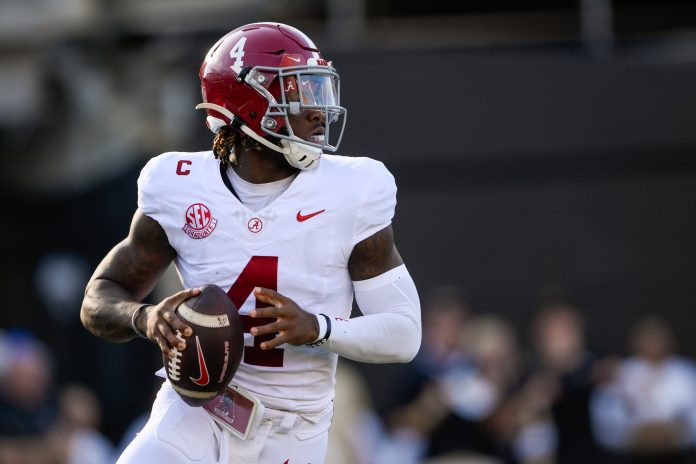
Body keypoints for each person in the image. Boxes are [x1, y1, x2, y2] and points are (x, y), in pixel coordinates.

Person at [80, 22, 422, 464]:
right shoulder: (178, 184)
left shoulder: (353, 190)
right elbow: (98, 299)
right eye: (299, 91)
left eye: (320, 90)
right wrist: (146, 318)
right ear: (246, 103)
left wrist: (319, 329)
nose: (319, 110)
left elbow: (403, 333)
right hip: (198, 407)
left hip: (293, 428)